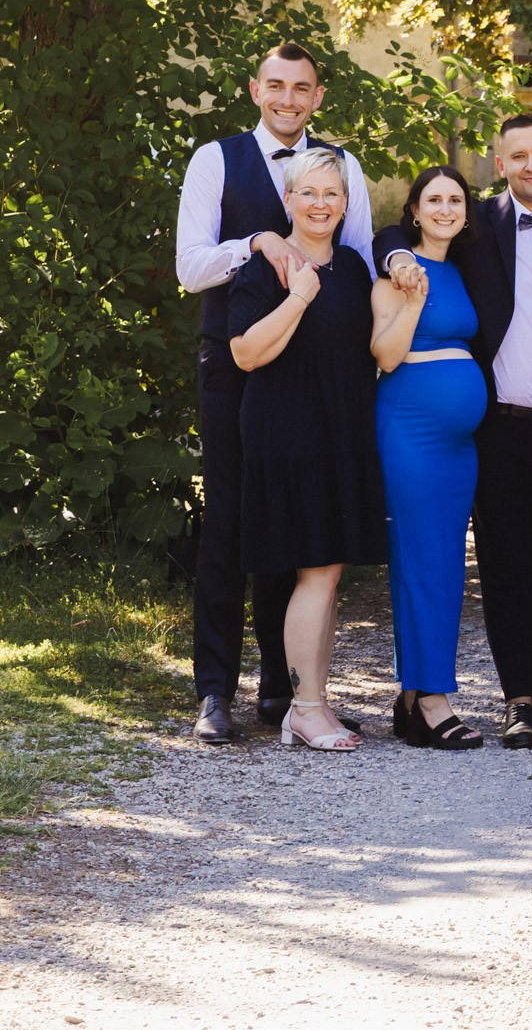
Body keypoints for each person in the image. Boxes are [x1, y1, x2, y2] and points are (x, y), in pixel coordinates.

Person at [374, 114, 532, 750]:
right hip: (500, 427)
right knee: (507, 566)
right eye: (518, 156)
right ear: (500, 164)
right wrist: (396, 254)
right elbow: (400, 230)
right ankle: (519, 699)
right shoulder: (480, 227)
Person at [174, 41, 373, 745]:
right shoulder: (214, 159)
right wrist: (258, 240)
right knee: (229, 524)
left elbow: (363, 263)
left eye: (303, 88)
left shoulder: (341, 168)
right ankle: (214, 692)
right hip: (235, 365)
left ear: (319, 96)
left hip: (319, 376)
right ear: (255, 89)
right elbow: (191, 267)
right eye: (277, 86)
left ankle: (285, 692)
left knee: (298, 528)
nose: (289, 99)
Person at [226, 149, 385, 752]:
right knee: (315, 570)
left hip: (343, 429)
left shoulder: (352, 265)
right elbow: (245, 353)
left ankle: (311, 701)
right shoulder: (267, 269)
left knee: (328, 571)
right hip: (286, 431)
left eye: (333, 194)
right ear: (288, 201)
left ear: (346, 204)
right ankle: (307, 708)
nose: (321, 204)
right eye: (309, 193)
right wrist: (296, 297)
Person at [370, 167, 487, 749]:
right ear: (413, 210)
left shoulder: (466, 269)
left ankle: (414, 697)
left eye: (455, 200)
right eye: (433, 199)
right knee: (420, 560)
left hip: (458, 445)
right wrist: (414, 298)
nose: (445, 208)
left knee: (444, 564)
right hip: (409, 430)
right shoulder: (396, 271)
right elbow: (386, 355)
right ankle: (433, 701)